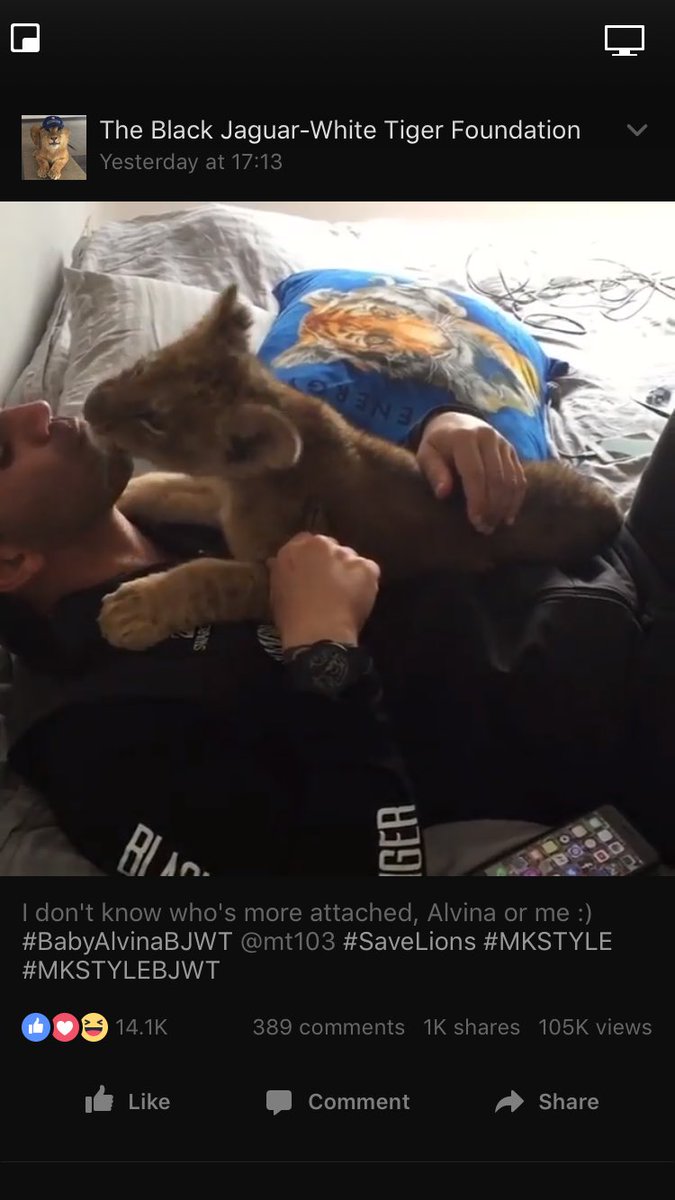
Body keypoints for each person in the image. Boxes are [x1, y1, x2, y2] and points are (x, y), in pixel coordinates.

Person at [0, 398, 672, 875]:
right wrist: (324, 650)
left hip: (608, 553)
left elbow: (342, 465)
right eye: (4, 451)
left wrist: (443, 431)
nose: (34, 410)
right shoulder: (92, 733)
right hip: (626, 720)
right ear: (10, 562)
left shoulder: (174, 502)